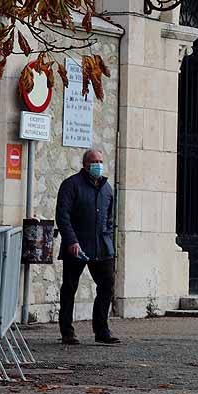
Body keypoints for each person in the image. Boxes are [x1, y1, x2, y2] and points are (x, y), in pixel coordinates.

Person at [56, 148, 120, 345]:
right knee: (70, 288)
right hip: (76, 247)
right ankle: (67, 332)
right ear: (85, 164)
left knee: (106, 286)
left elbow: (109, 219)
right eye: (94, 161)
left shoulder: (107, 188)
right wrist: (71, 241)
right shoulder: (71, 185)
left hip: (102, 247)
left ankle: (102, 331)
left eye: (100, 161)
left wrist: (108, 239)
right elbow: (63, 216)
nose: (98, 165)